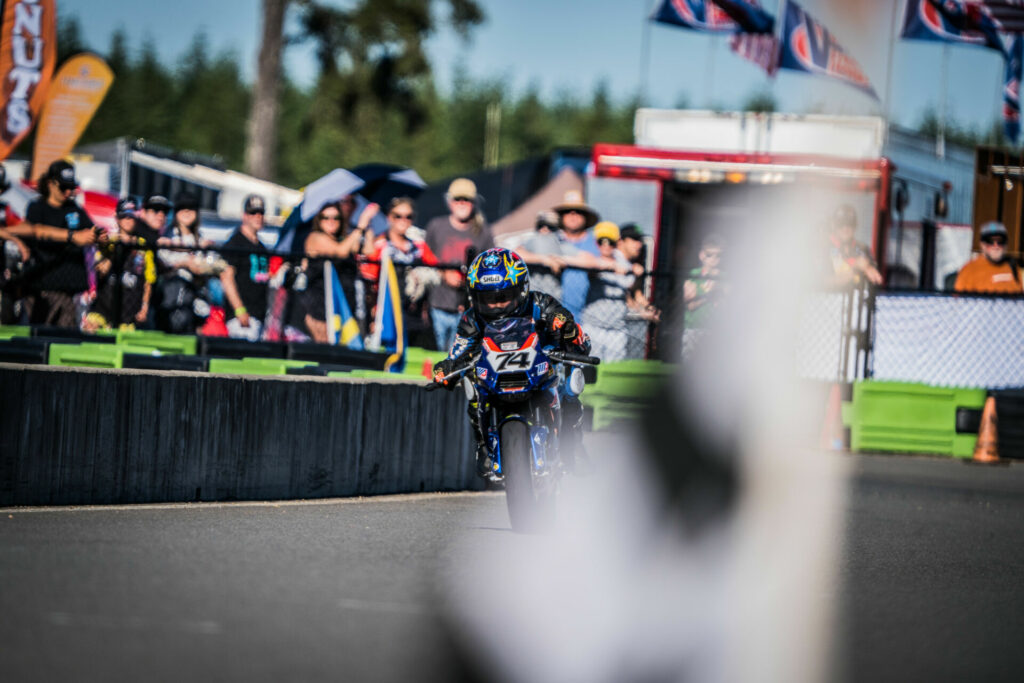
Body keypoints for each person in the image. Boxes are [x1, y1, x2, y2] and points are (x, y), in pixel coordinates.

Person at [432, 247, 592, 477]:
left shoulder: (541, 304)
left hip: (542, 368)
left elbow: (579, 338)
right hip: (496, 374)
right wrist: (447, 368)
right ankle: (484, 448)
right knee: (472, 389)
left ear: (522, 289)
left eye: (502, 297)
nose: (496, 305)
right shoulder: (471, 318)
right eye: (487, 299)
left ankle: (571, 447)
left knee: (571, 388)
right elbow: (459, 351)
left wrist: (567, 330)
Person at [0, 160, 103, 327]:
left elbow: (23, 228)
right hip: (41, 285)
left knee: (65, 338)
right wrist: (72, 236)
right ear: (51, 184)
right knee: (36, 337)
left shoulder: (75, 209)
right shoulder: (36, 207)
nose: (68, 192)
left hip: (69, 289)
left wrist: (99, 238)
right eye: (64, 187)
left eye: (71, 187)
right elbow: (36, 230)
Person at [424, 178, 494, 352]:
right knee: (437, 357)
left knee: (461, 356)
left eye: (466, 199)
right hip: (437, 305)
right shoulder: (436, 226)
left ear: (474, 202)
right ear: (449, 202)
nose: (461, 203)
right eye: (457, 199)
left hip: (466, 309)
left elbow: (489, 267)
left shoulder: (483, 231)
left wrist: (468, 282)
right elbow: (425, 258)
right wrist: (444, 273)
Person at [363, 197, 439, 343]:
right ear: (389, 217)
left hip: (414, 315)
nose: (403, 220)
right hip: (386, 313)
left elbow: (438, 270)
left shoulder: (418, 247)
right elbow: (369, 283)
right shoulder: (380, 245)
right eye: (398, 216)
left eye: (408, 216)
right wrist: (373, 315)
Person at [302, 199, 378, 342]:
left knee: (344, 355)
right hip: (321, 309)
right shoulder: (315, 238)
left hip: (344, 307)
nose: (331, 221)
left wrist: (368, 224)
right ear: (319, 220)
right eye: (326, 217)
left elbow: (369, 250)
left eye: (336, 217)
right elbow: (340, 251)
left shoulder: (344, 239)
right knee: (326, 351)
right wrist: (360, 225)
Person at [86, 198, 158, 330]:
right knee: (90, 331)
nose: (128, 220)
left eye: (132, 216)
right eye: (124, 216)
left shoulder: (144, 247)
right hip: (103, 309)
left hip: (129, 315)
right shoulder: (108, 242)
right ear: (117, 218)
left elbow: (148, 281)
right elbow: (100, 271)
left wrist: (145, 306)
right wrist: (115, 250)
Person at [152, 193, 219, 333]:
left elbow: (215, 264)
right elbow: (163, 261)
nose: (187, 212)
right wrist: (185, 263)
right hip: (171, 297)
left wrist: (203, 267)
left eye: (191, 208)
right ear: (176, 213)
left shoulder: (202, 239)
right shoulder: (168, 236)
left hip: (196, 298)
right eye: (183, 208)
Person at [581, 222, 644, 363]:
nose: (606, 246)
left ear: (617, 242)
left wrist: (636, 274)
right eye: (601, 242)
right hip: (594, 326)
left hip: (617, 328)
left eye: (611, 242)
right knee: (589, 370)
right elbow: (592, 267)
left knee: (613, 371)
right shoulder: (592, 259)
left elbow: (630, 292)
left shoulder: (625, 263)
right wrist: (613, 266)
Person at [220, 194, 271, 340]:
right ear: (245, 216)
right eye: (253, 213)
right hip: (242, 317)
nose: (257, 217)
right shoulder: (235, 243)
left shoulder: (261, 247)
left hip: (260, 315)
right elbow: (226, 277)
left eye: (261, 213)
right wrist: (239, 310)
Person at [551, 190, 602, 318]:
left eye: (578, 212)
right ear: (561, 217)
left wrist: (561, 259)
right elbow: (520, 252)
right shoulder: (553, 238)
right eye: (567, 212)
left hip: (584, 317)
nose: (573, 215)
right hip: (550, 314)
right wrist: (544, 259)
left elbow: (596, 263)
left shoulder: (593, 241)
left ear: (585, 217)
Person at [619, 223, 660, 359]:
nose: (639, 245)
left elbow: (636, 293)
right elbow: (623, 296)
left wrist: (650, 308)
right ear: (622, 241)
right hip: (606, 325)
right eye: (634, 240)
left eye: (640, 241)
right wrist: (643, 313)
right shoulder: (616, 261)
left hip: (621, 325)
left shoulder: (630, 264)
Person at [682, 234, 726, 358]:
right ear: (702, 255)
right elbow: (690, 305)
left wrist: (719, 289)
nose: (714, 259)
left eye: (718, 255)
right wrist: (709, 295)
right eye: (709, 255)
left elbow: (727, 304)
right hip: (694, 328)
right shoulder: (694, 275)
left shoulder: (725, 277)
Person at [953, 221, 1023, 294]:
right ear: (982, 244)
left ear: (1006, 244)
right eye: (990, 241)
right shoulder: (968, 271)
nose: (996, 246)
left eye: (1000, 241)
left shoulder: (1013, 267)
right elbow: (958, 302)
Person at [829, 204, 882, 287]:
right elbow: (821, 281)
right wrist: (854, 270)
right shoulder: (824, 249)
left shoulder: (863, 249)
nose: (845, 228)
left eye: (850, 224)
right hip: (827, 298)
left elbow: (875, 278)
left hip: (858, 298)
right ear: (834, 226)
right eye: (841, 224)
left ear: (855, 226)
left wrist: (869, 268)